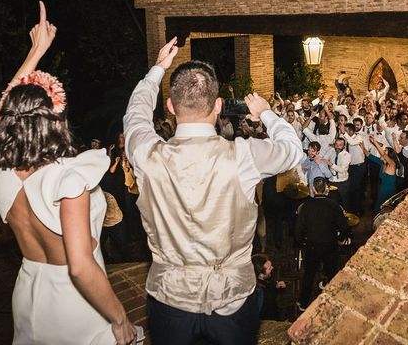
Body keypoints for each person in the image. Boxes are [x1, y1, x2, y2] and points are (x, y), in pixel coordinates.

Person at [123, 37, 304, 345]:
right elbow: (292, 149)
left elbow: (135, 115)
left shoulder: (146, 154)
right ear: (219, 105)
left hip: (170, 300)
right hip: (232, 300)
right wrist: (266, 113)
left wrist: (157, 70)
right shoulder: (244, 156)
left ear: (169, 105)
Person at [0, 2, 136, 345]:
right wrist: (120, 318)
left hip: (30, 293)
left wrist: (36, 51)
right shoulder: (68, 179)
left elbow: (5, 110)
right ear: (55, 121)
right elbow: (79, 265)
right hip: (76, 304)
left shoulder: (0, 168)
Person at [295, 177, 350, 311]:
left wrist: (301, 241)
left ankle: (303, 303)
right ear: (326, 189)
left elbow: (298, 229)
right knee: (332, 271)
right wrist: (340, 239)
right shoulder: (333, 205)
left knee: (309, 273)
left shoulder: (306, 206)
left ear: (313, 189)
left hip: (313, 245)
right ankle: (334, 301)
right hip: (330, 244)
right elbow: (344, 227)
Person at [252, 254, 286, 321]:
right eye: (269, 268)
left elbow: (269, 286)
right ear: (261, 274)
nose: (272, 268)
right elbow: (269, 313)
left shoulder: (265, 281)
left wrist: (276, 287)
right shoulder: (258, 292)